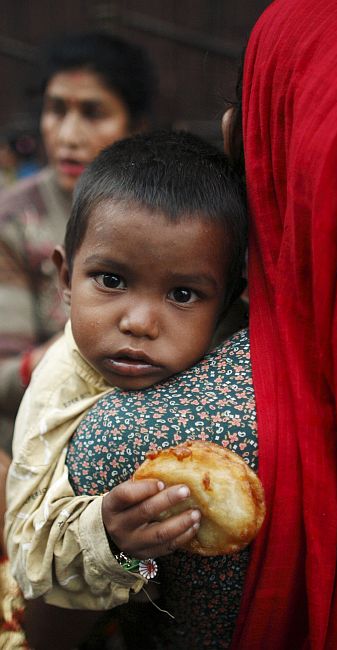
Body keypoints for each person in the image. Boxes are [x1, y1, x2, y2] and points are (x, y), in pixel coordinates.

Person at [8, 2, 337, 649]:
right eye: (110, 280)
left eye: (184, 293)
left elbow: (49, 633)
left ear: (248, 138)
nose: (138, 320)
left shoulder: (151, 441)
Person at [0, 31, 156, 452]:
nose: (68, 134)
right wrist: (75, 346)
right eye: (56, 110)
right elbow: (2, 378)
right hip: (40, 434)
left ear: (135, 125)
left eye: (93, 113)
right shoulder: (14, 220)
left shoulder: (165, 213)